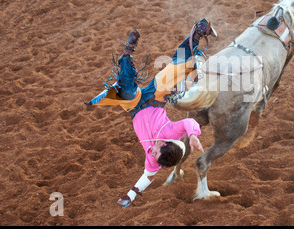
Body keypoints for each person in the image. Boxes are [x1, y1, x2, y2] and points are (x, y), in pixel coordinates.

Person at [85, 19, 217, 208]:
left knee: (127, 91)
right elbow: (188, 124)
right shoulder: (172, 134)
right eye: (155, 151)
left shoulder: (156, 160)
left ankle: (127, 53)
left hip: (134, 108)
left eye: (153, 155)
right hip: (154, 98)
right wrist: (194, 135)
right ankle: (198, 32)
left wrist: (130, 195)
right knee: (176, 68)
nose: (151, 153)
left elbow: (147, 177)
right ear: (164, 143)